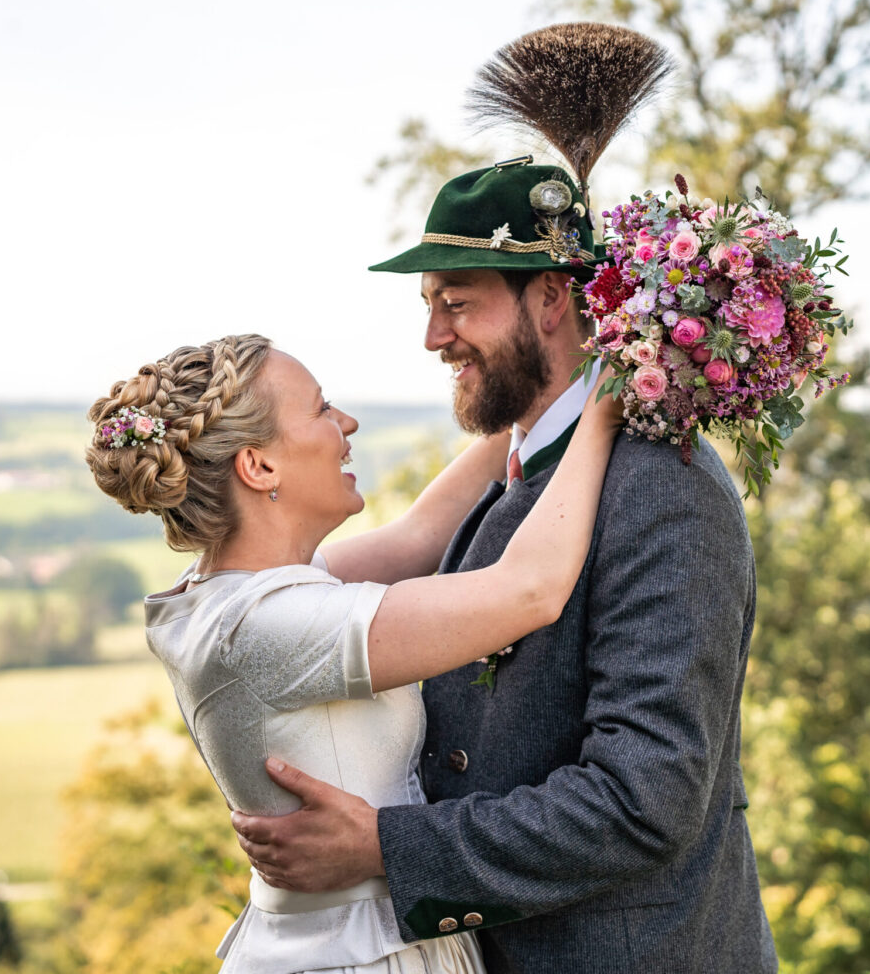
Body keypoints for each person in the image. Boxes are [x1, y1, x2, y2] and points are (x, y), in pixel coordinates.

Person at [228, 156, 779, 972]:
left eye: (455, 303)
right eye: (428, 306)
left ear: (553, 297)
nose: (433, 337)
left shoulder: (664, 485)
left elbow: (644, 799)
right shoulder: (520, 470)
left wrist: (385, 846)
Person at [83, 334, 623, 974]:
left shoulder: (235, 596)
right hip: (357, 955)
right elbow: (530, 590)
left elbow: (420, 535)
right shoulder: (268, 627)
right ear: (258, 467)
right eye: (320, 409)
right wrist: (605, 404)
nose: (347, 423)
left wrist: (545, 392)